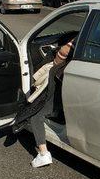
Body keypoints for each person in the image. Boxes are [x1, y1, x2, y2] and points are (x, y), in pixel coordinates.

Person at [24, 36, 76, 168]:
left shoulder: (83, 35)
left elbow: (64, 52)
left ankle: (43, 154)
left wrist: (56, 55)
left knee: (36, 115)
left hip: (61, 83)